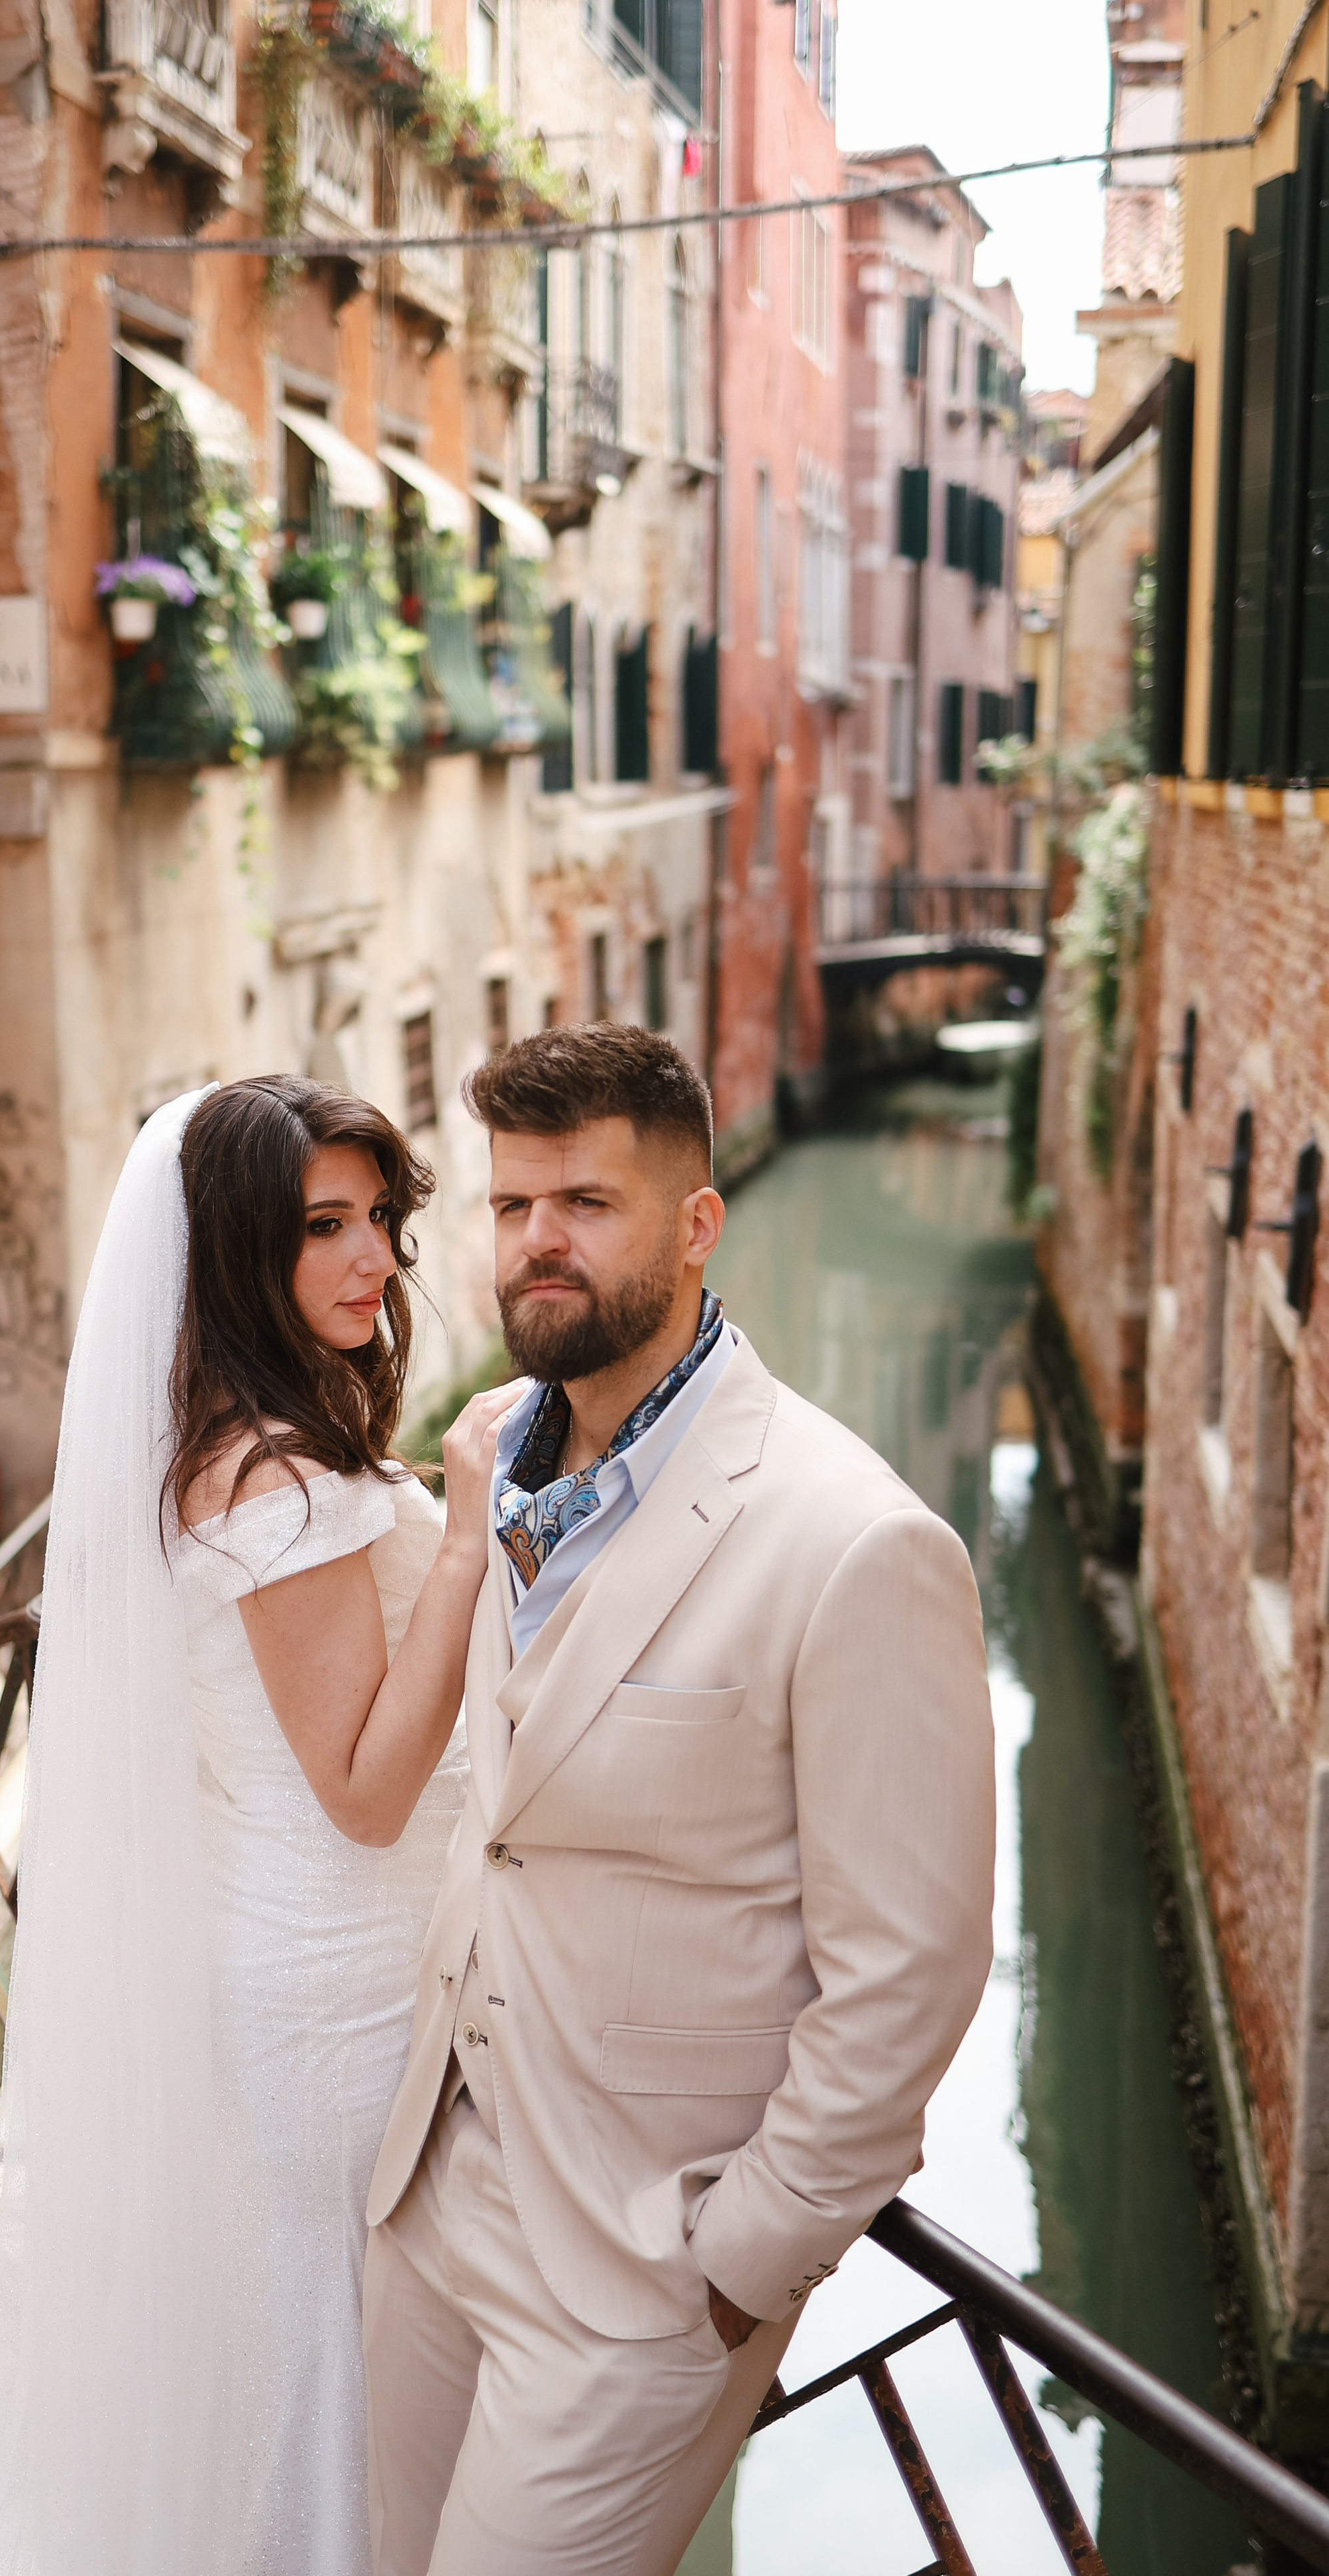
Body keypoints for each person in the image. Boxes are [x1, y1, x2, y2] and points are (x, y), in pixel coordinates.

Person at [0, 1077, 511, 2576]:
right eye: (320, 1228)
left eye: (379, 1223)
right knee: (330, 2356)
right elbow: (361, 1789)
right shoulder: (271, 1477)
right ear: (233, 1252)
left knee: (289, 2343)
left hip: (297, 1962)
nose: (370, 1262)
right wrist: (462, 1541)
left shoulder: (230, 1437)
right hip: (333, 1981)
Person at [362, 1022, 997, 2576]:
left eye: (583, 1202)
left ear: (697, 1224)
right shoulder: (503, 1455)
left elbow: (909, 1971)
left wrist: (744, 2261)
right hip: (432, 2196)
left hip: (644, 2269)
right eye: (511, 1209)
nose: (535, 1246)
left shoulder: (855, 1541)